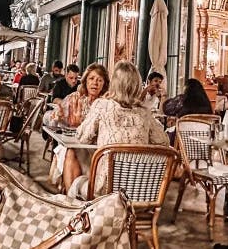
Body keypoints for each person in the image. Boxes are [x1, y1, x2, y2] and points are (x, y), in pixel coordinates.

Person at [70, 61, 170, 197]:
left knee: (77, 181)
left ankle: (79, 214)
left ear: (113, 84)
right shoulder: (145, 113)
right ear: (137, 86)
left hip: (105, 191)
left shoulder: (102, 105)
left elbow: (82, 137)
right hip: (140, 191)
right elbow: (164, 142)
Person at [44, 63, 109, 191]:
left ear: (104, 84)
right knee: (71, 151)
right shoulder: (75, 98)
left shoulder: (107, 104)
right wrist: (57, 116)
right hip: (76, 145)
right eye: (91, 79)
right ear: (85, 81)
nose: (95, 83)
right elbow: (48, 119)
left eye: (99, 80)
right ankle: (71, 198)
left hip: (97, 149)